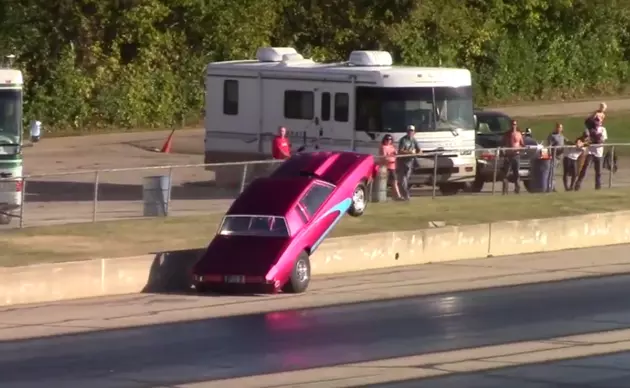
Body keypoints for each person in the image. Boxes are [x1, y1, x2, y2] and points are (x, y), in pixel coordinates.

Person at [574, 116, 608, 191]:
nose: (597, 122)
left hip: (598, 152)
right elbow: (584, 137)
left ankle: (598, 186)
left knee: (598, 171)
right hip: (590, 151)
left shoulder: (603, 129)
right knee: (585, 168)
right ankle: (578, 184)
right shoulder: (589, 129)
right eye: (595, 120)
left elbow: (601, 141)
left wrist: (588, 142)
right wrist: (580, 141)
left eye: (598, 120)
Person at [397, 125, 421, 201]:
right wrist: (410, 152)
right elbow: (400, 151)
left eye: (412, 131)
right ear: (407, 131)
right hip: (403, 162)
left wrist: (417, 153)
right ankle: (406, 196)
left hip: (411, 162)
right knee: (403, 180)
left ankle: (404, 195)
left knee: (405, 180)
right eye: (409, 131)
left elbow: (420, 150)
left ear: (414, 132)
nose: (410, 132)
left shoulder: (414, 140)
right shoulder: (403, 140)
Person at [501, 119, 525, 194]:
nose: (513, 126)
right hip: (508, 156)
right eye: (512, 124)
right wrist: (504, 151)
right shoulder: (507, 134)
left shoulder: (519, 134)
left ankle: (517, 190)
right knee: (506, 174)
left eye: (515, 124)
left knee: (516, 173)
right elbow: (502, 144)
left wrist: (521, 148)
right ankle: (505, 191)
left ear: (516, 125)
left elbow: (522, 144)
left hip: (516, 156)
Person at [546, 123, 569, 191]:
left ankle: (552, 186)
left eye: (561, 127)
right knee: (552, 172)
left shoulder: (561, 136)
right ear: (556, 128)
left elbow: (567, 141)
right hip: (554, 156)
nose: (560, 129)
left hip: (560, 156)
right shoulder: (552, 135)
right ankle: (551, 187)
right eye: (558, 127)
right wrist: (550, 154)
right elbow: (549, 145)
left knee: (556, 172)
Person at [379, 134, 402, 200]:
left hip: (393, 167)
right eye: (387, 139)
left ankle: (396, 196)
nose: (389, 141)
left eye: (390, 139)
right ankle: (396, 196)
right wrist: (390, 158)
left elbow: (396, 154)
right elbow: (384, 157)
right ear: (384, 140)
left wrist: (396, 154)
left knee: (394, 182)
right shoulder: (383, 147)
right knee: (387, 182)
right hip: (386, 167)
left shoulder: (392, 146)